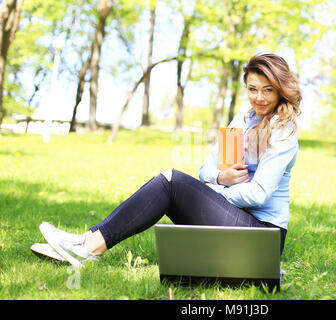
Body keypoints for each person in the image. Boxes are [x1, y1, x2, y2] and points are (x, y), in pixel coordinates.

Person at [32, 52, 302, 268]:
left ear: (280, 90)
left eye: (267, 90)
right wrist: (221, 178)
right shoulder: (244, 119)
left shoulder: (283, 131)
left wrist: (214, 191)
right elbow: (207, 169)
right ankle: (86, 242)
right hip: (232, 217)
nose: (259, 97)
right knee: (171, 185)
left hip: (262, 237)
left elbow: (259, 194)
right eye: (252, 89)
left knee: (171, 182)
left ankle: (87, 247)